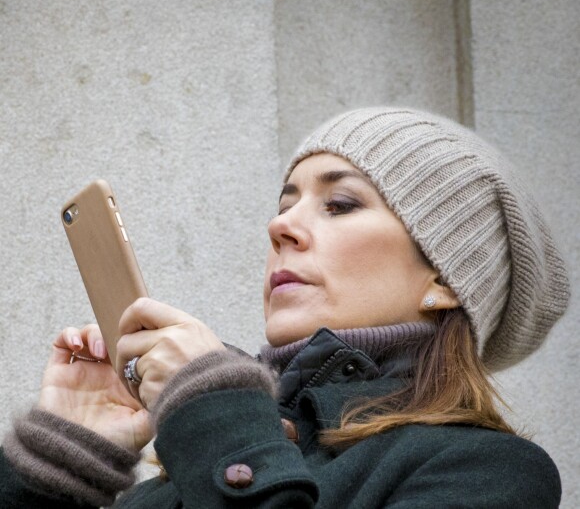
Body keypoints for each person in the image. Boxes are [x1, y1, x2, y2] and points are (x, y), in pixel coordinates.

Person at [0, 107, 570, 508]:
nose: (280, 226)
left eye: (340, 204)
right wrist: (56, 470)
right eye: (286, 203)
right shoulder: (181, 480)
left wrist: (217, 416)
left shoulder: (488, 472)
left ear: (446, 278)